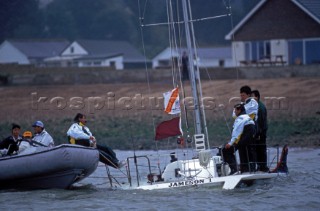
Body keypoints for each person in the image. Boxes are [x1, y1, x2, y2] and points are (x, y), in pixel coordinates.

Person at [222, 103, 256, 174]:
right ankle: (249, 168)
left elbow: (236, 132)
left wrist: (230, 143)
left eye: (235, 110)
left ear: (239, 110)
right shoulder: (248, 117)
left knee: (225, 150)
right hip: (250, 141)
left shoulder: (240, 119)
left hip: (244, 140)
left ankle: (234, 169)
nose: (234, 112)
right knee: (246, 151)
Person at [252, 90, 269, 172]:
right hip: (258, 132)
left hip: (261, 133)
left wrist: (258, 133)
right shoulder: (255, 106)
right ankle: (260, 166)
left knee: (261, 149)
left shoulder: (260, 108)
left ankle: (263, 167)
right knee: (258, 149)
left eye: (253, 97)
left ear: (257, 97)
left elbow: (261, 122)